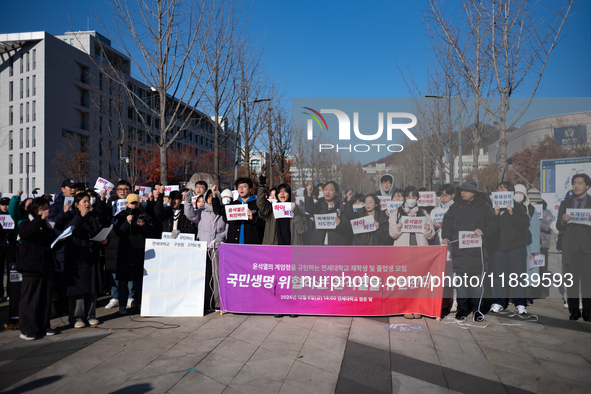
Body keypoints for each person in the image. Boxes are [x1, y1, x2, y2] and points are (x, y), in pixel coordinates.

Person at [442, 180, 498, 321]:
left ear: (474, 192)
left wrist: (483, 231)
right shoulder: (455, 207)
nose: (463, 192)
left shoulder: (484, 207)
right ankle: (462, 309)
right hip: (460, 251)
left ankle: (477, 309)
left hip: (478, 252)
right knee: (461, 283)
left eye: (466, 190)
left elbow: (493, 223)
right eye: (462, 190)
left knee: (477, 283)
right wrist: (447, 236)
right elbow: (447, 222)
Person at [60, 192, 104, 328]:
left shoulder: (94, 216)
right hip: (76, 257)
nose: (87, 204)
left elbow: (97, 231)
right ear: (76, 204)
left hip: (92, 255)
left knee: (92, 286)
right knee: (78, 289)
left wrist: (103, 239)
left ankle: (91, 315)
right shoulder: (70, 215)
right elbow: (68, 230)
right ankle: (77, 317)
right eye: (84, 201)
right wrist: (81, 216)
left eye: (88, 201)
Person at [16, 197, 56, 340]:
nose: (47, 211)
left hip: (45, 266)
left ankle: (43, 325)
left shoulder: (46, 225)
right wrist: (40, 219)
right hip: (30, 266)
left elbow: (49, 245)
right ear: (36, 210)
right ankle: (27, 329)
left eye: (48, 208)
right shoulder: (25, 223)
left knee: (45, 298)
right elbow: (27, 234)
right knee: (29, 299)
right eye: (44, 209)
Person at [488, 182, 530, 315]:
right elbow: (486, 226)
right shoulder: (491, 207)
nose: (501, 191)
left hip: (516, 247)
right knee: (499, 276)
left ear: (510, 192)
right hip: (498, 247)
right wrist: (494, 214)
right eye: (498, 188)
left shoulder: (518, 207)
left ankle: (520, 303)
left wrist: (512, 213)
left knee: (517, 277)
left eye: (504, 189)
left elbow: (523, 224)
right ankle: (499, 302)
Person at [184, 188, 228, 310]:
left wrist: (222, 236)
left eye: (212, 197)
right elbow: (190, 215)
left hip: (217, 249)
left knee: (217, 276)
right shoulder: (201, 212)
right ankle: (205, 303)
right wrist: (188, 202)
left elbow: (228, 228)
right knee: (205, 276)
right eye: (207, 197)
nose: (209, 200)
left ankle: (218, 303)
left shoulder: (223, 213)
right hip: (204, 249)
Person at [113, 193, 156, 314]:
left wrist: (144, 226)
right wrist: (127, 222)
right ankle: (122, 305)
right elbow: (118, 232)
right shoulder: (120, 216)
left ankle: (140, 303)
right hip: (125, 252)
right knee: (123, 281)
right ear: (126, 203)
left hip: (140, 252)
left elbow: (152, 234)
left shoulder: (144, 216)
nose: (133, 205)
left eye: (135, 203)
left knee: (140, 281)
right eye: (131, 203)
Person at [556, 173, 591, 321]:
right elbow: (558, 226)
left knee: (588, 282)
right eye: (575, 183)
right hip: (571, 248)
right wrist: (564, 221)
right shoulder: (565, 203)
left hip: (588, 248)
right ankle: (574, 311)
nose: (576, 186)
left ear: (587, 186)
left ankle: (588, 313)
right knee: (571, 282)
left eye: (580, 183)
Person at [257, 175, 308, 246]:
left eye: (285, 191)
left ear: (289, 194)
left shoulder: (297, 209)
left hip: (291, 248)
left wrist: (297, 215)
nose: (282, 193)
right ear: (277, 195)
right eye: (280, 192)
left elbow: (302, 230)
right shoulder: (271, 208)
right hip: (273, 247)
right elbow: (260, 203)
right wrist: (262, 186)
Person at [211, 178, 265, 244]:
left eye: (244, 186)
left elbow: (264, 224)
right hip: (234, 244)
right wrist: (214, 196)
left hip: (252, 244)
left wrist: (254, 218)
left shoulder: (257, 204)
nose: (241, 189)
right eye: (239, 187)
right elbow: (218, 211)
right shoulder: (233, 204)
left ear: (250, 189)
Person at [514, 184, 541, 304]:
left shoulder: (531, 209)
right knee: (515, 271)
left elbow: (535, 229)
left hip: (529, 245)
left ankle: (528, 296)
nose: (518, 195)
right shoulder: (509, 207)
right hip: (514, 244)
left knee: (530, 271)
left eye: (520, 193)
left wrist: (535, 247)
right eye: (516, 192)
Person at [305, 181, 352, 245]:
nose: (327, 192)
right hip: (318, 243)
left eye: (331, 190)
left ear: (336, 193)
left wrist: (340, 224)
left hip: (335, 246)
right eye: (326, 190)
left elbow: (348, 229)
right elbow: (309, 209)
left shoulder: (341, 208)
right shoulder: (319, 204)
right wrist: (309, 194)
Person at [1, 197, 17, 301]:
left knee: (11, 270)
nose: (5, 206)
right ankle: (0, 293)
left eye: (7, 204)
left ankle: (11, 293)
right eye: (3, 204)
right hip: (0, 246)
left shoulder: (13, 215)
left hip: (11, 246)